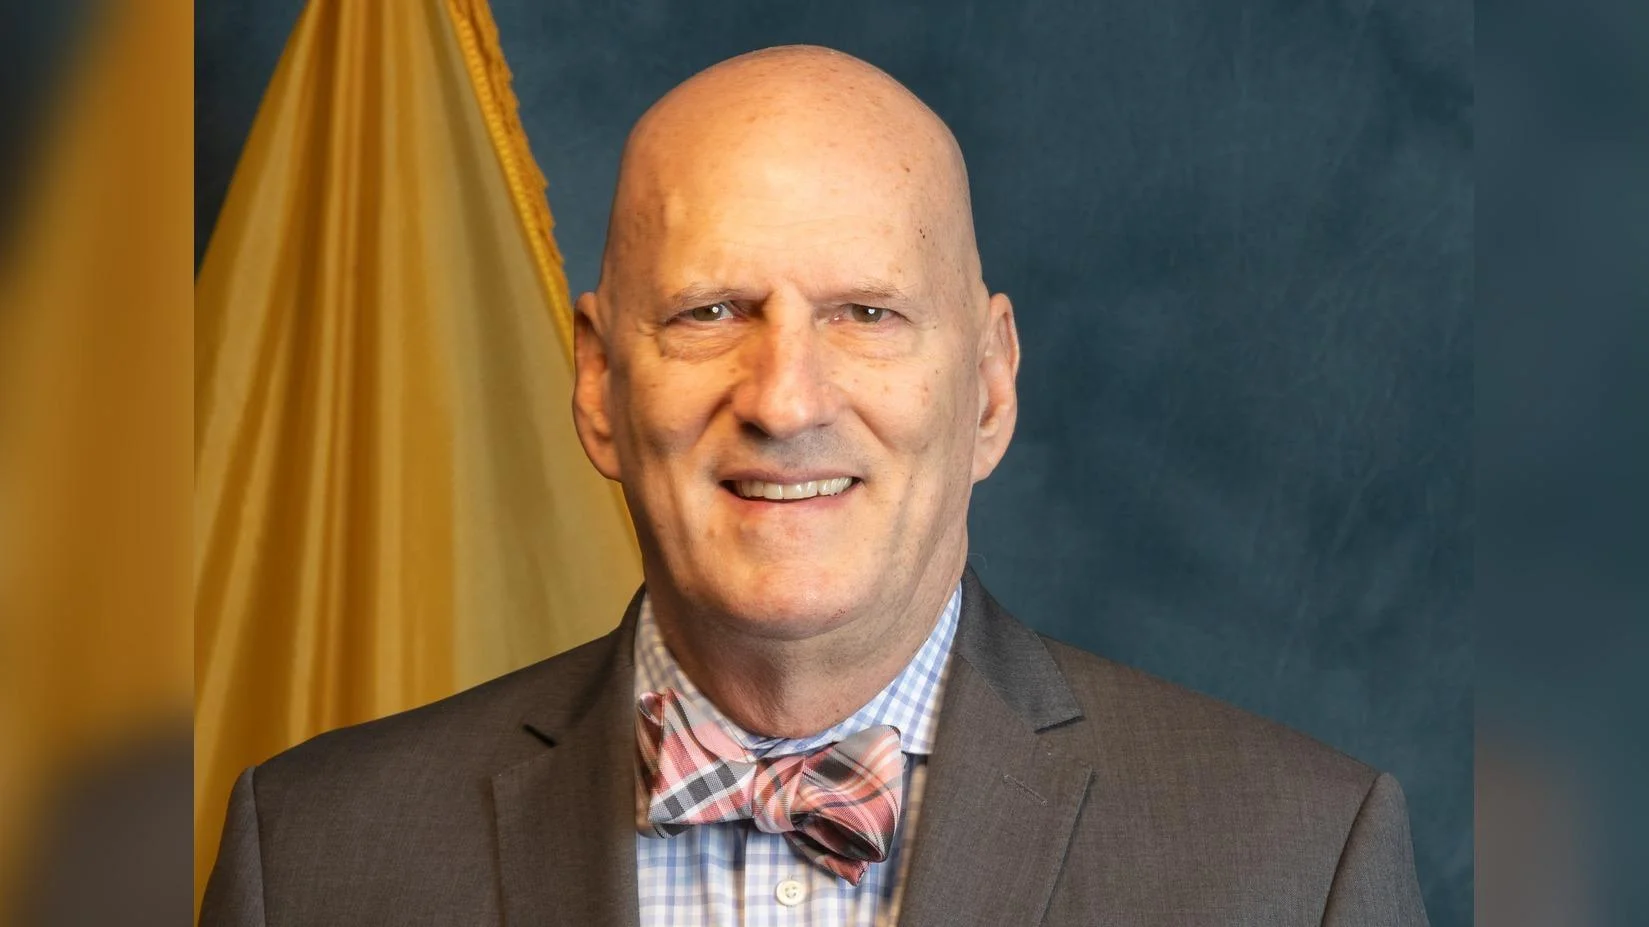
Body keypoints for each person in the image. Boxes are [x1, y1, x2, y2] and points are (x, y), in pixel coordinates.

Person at [201, 45, 1430, 926]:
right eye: (710, 311)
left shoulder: (1292, 864)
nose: (785, 400)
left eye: (865, 313)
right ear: (598, 384)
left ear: (988, 387)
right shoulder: (310, 858)